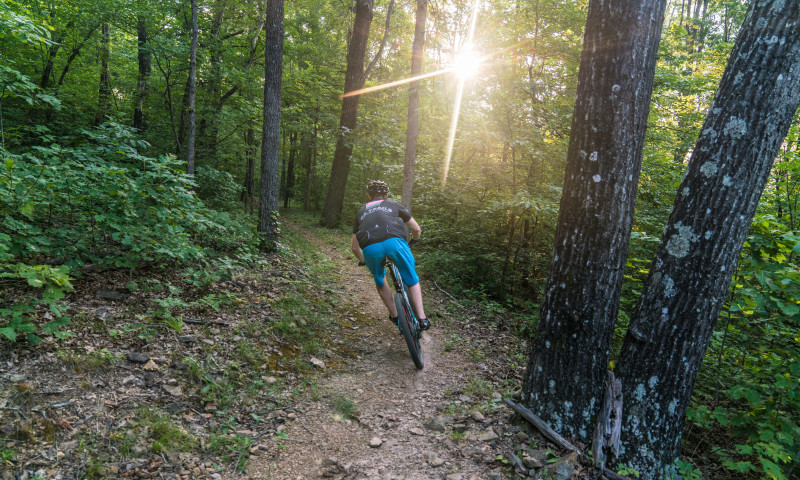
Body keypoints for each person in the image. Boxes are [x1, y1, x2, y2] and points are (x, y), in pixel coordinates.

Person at [351, 180, 431, 331]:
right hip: (395, 242)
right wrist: (414, 240)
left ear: (369, 196)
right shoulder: (393, 204)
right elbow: (416, 229)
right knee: (412, 279)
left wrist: (363, 261)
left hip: (370, 247)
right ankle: (422, 318)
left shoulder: (361, 211)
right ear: (386, 195)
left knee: (380, 279)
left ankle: (395, 316)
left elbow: (355, 248)